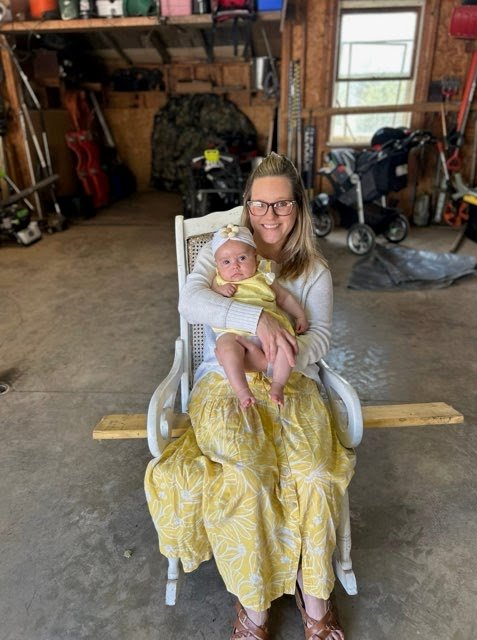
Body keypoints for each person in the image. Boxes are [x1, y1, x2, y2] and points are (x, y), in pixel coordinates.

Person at [145, 152, 355, 640]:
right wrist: (255, 320)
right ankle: (254, 600)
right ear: (247, 204)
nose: (269, 216)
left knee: (315, 472)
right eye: (259, 204)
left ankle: (314, 590)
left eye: (281, 204)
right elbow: (191, 301)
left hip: (289, 379)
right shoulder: (223, 246)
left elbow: (320, 337)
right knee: (246, 471)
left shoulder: (312, 269)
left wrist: (275, 358)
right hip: (226, 377)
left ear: (298, 207)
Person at [210, 223, 309, 408]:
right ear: (217, 265)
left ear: (255, 258)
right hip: (234, 332)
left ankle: (278, 385)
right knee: (227, 348)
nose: (235, 266)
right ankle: (242, 391)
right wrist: (220, 290)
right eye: (226, 262)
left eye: (242, 258)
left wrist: (300, 315)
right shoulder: (219, 280)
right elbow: (209, 299)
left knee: (286, 347)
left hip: (271, 331)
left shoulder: (264, 276)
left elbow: (284, 297)